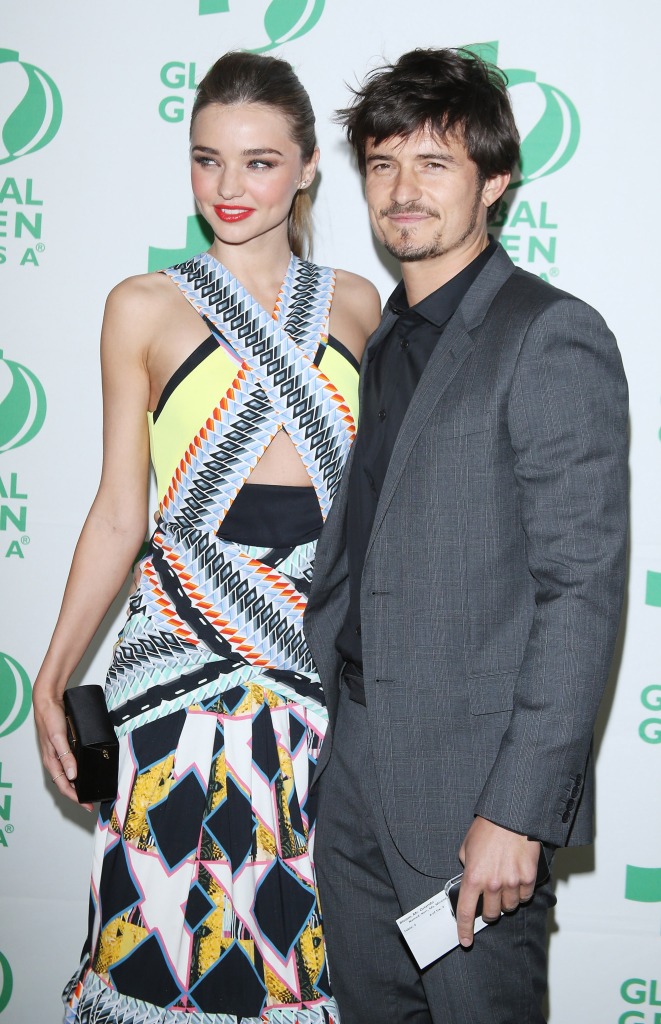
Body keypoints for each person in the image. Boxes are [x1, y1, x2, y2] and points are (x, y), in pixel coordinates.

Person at [32, 50, 380, 1023]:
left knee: (302, 951)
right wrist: (51, 672)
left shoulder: (358, 305)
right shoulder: (140, 307)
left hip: (312, 668)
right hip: (173, 661)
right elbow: (117, 511)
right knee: (160, 945)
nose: (229, 188)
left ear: (309, 167)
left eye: (260, 162)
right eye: (207, 159)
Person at [304, 47, 628, 1023]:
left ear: (494, 180)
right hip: (354, 766)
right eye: (383, 163)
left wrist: (517, 812)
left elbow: (580, 591)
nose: (403, 191)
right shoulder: (385, 337)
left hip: (472, 792)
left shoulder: (548, 335)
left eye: (434, 164)